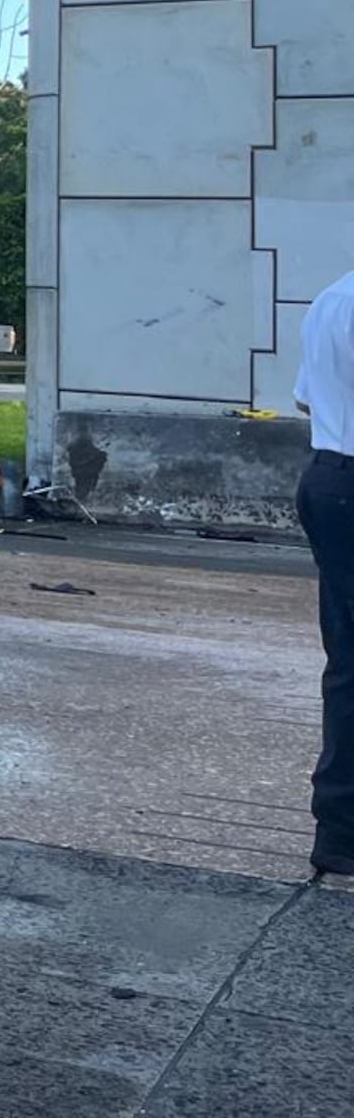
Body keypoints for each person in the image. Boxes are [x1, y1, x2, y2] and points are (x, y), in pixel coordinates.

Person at [296, 265, 354, 881]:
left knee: (348, 663)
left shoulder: (333, 297)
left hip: (330, 479)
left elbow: (305, 397)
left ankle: (339, 831)